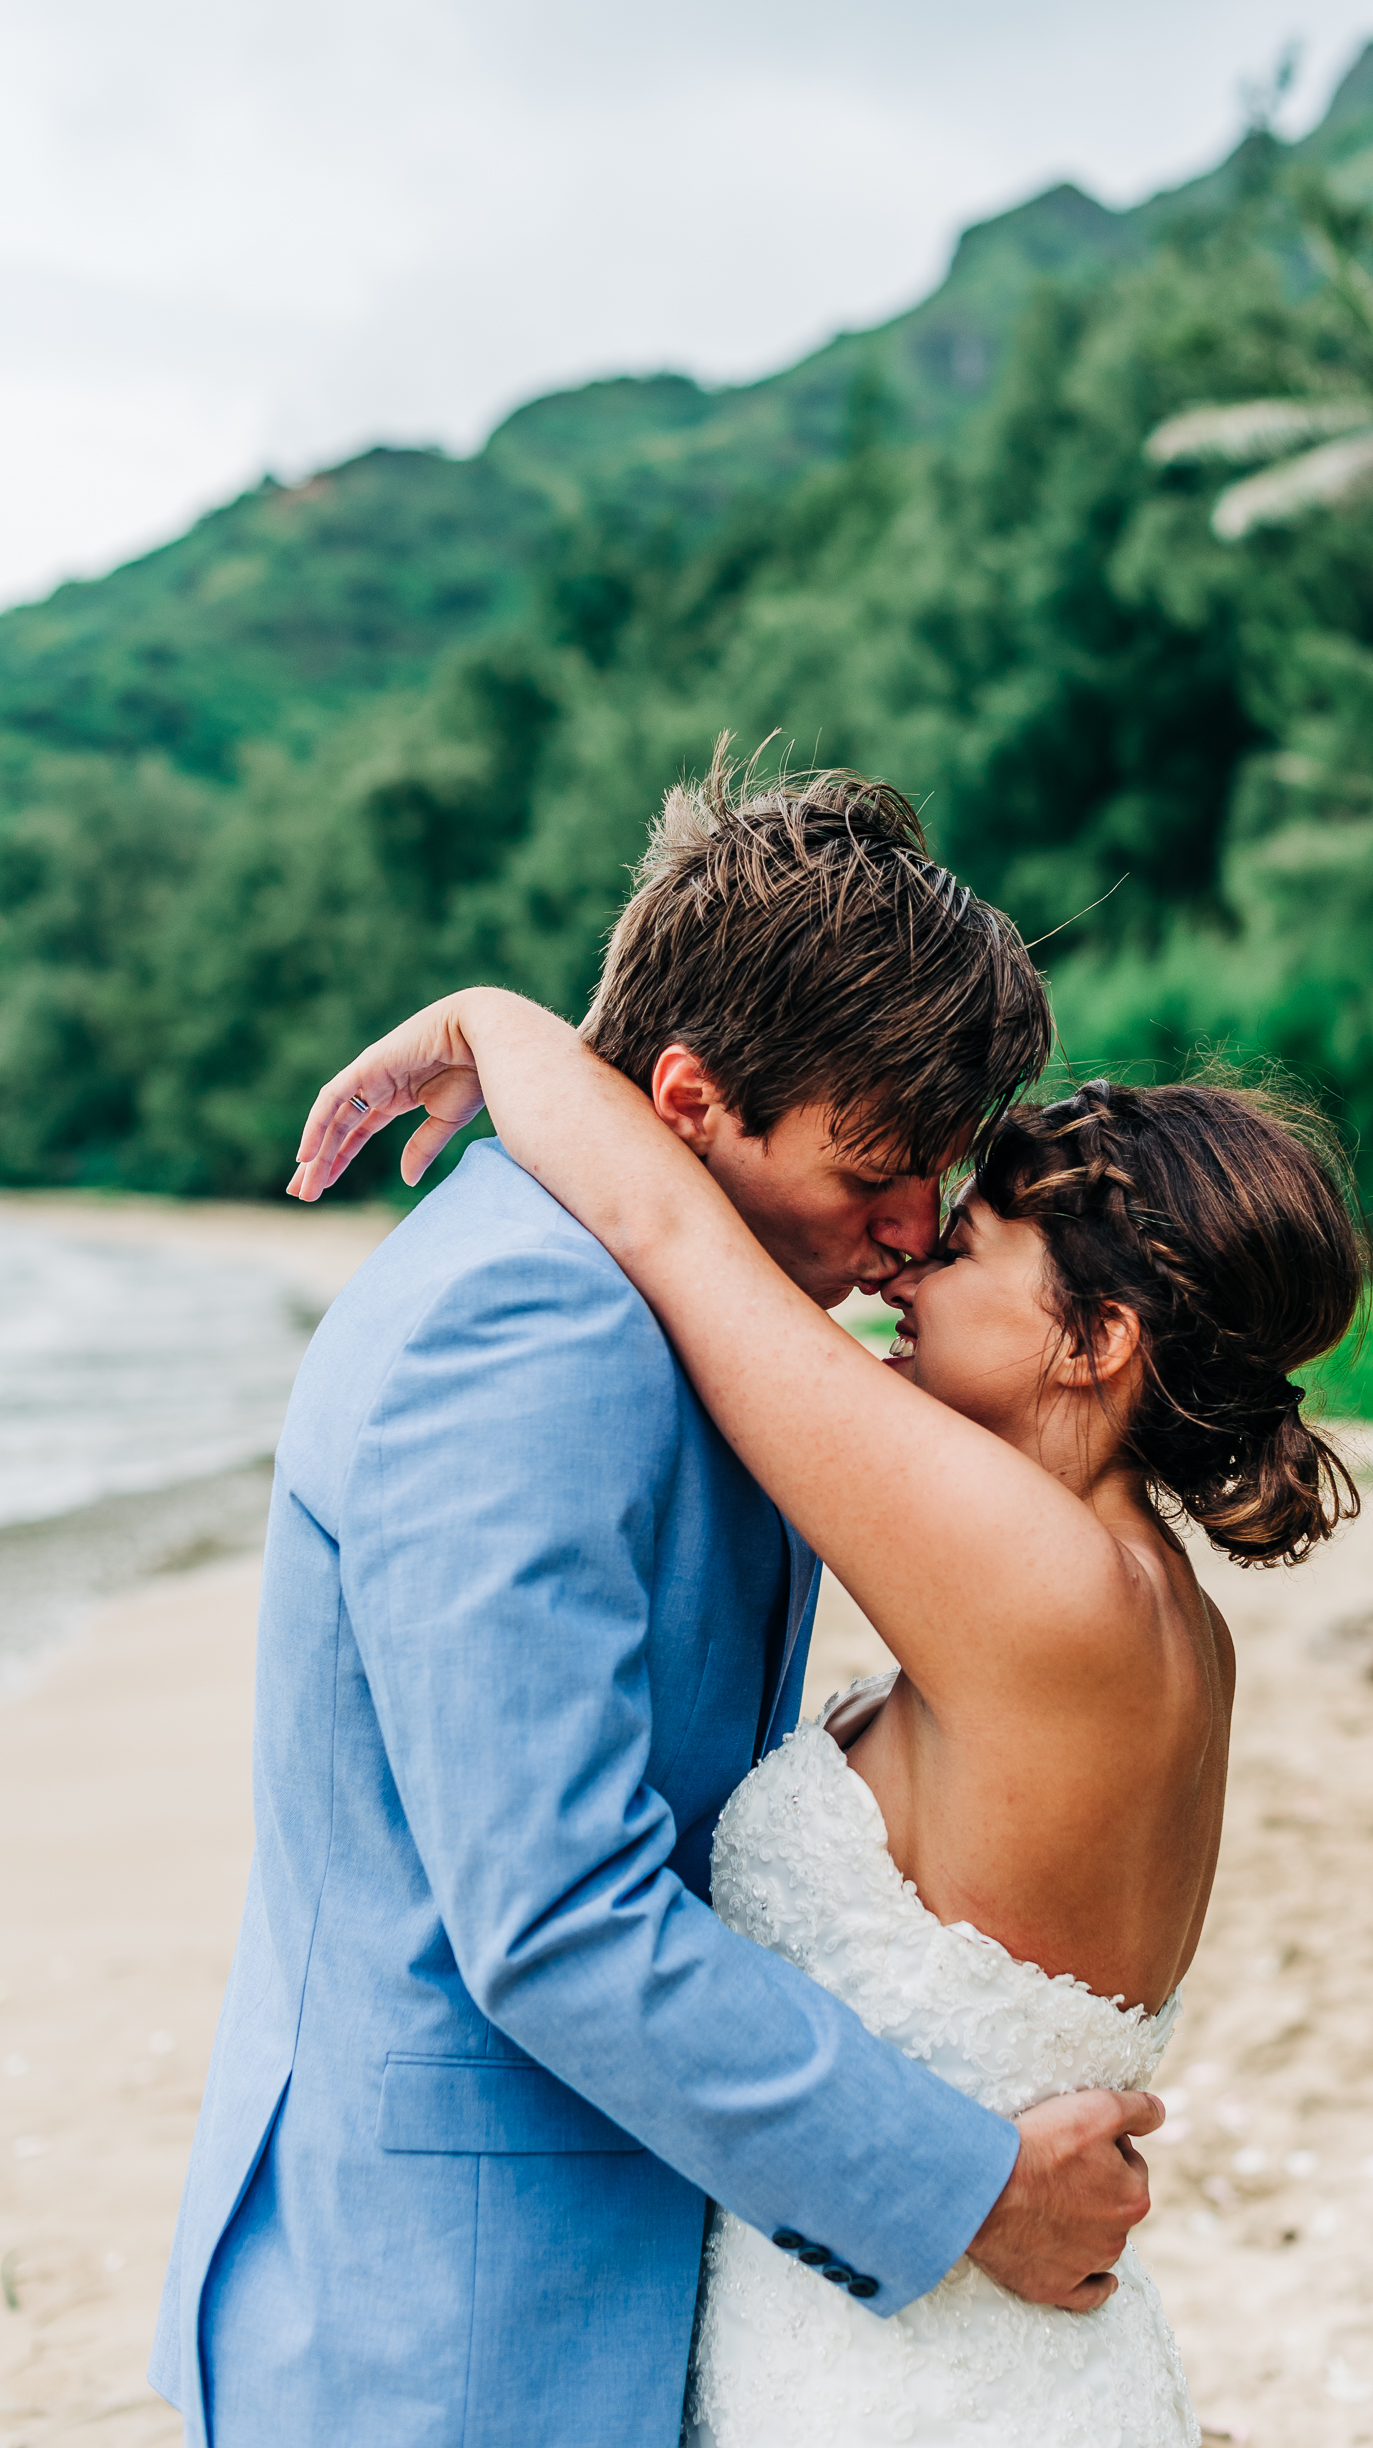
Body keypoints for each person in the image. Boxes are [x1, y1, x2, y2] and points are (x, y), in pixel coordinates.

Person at [149, 756, 1167, 2448]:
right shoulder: (525, 1335)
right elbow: (555, 1919)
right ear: (689, 1098)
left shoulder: (668, 1296)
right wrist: (966, 2186)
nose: (913, 1238)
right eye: (874, 1177)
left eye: (942, 1174)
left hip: (608, 2272)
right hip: (455, 2324)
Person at [290, 976, 1367, 2447]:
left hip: (905, 2385)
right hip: (972, 2360)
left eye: (970, 1240)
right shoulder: (1149, 1607)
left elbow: (674, 1237)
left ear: (1096, 1341)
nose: (911, 1261)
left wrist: (495, 1022)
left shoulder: (1046, 1588)